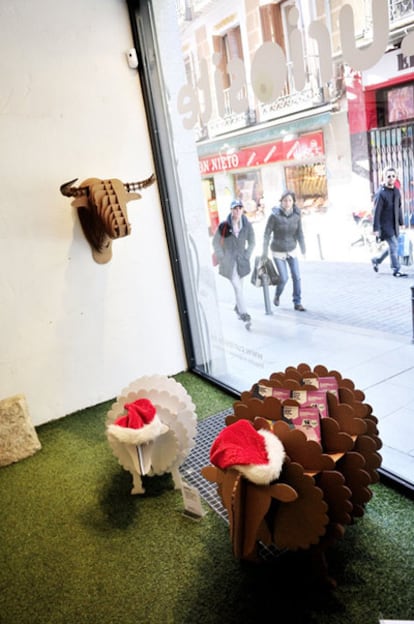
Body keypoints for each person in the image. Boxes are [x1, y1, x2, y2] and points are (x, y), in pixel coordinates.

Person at [213, 199, 255, 326]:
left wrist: (247, 255)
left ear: (242, 210)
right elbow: (215, 242)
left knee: (239, 289)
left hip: (241, 262)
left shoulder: (247, 225)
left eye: (239, 208)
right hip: (229, 263)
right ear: (231, 210)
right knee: (237, 287)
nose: (237, 211)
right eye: (235, 208)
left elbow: (252, 242)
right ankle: (245, 315)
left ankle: (238, 308)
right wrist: (222, 257)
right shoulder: (224, 226)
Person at [262, 190, 306, 311]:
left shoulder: (297, 216)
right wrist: (264, 252)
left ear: (293, 202)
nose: (287, 203)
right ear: (281, 202)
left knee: (296, 276)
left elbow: (299, 233)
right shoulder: (274, 216)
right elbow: (266, 234)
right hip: (278, 251)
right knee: (284, 278)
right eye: (285, 200)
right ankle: (277, 295)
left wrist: (303, 248)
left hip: (291, 249)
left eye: (290, 200)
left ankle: (297, 302)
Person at [371, 167, 407, 277]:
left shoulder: (396, 192)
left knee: (393, 246)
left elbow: (399, 207)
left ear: (396, 178)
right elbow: (376, 212)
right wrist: (376, 229)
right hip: (384, 225)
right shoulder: (381, 194)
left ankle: (376, 260)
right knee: (394, 245)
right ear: (384, 177)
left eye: (393, 176)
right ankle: (396, 270)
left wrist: (401, 222)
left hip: (394, 225)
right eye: (388, 176)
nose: (391, 178)